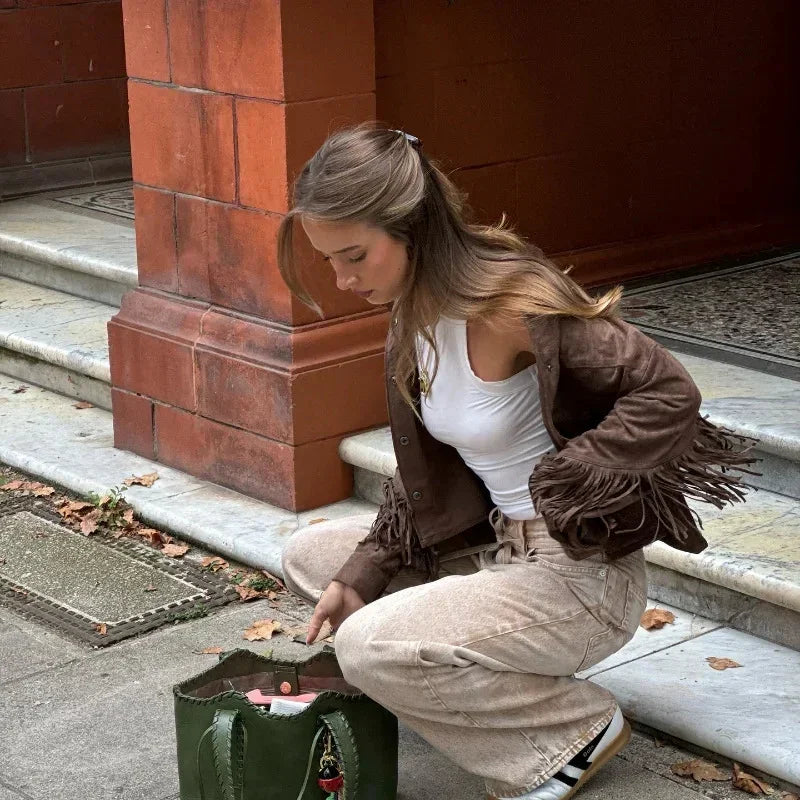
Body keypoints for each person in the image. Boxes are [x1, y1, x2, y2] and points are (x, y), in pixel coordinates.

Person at [275, 123, 755, 800]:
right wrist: (367, 569)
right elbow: (428, 474)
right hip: (491, 549)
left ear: (410, 227)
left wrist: (567, 478)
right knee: (315, 558)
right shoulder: (413, 307)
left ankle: (569, 732)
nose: (342, 279)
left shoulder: (511, 301)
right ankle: (460, 680)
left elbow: (668, 390)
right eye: (329, 261)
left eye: (353, 255)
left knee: (366, 647)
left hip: (579, 577)